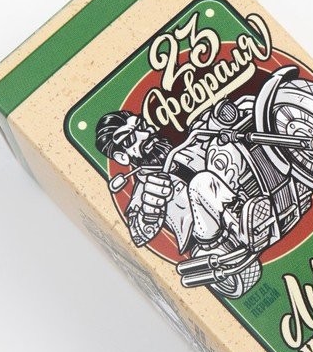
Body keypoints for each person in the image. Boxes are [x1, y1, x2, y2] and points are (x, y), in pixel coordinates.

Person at [95, 108, 270, 253]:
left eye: (141, 125)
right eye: (130, 139)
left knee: (225, 150)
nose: (145, 134)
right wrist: (150, 209)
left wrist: (218, 120)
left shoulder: (182, 153)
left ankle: (267, 196)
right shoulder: (144, 190)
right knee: (201, 182)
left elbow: (202, 137)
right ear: (122, 157)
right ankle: (244, 226)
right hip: (208, 239)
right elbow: (138, 236)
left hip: (240, 203)